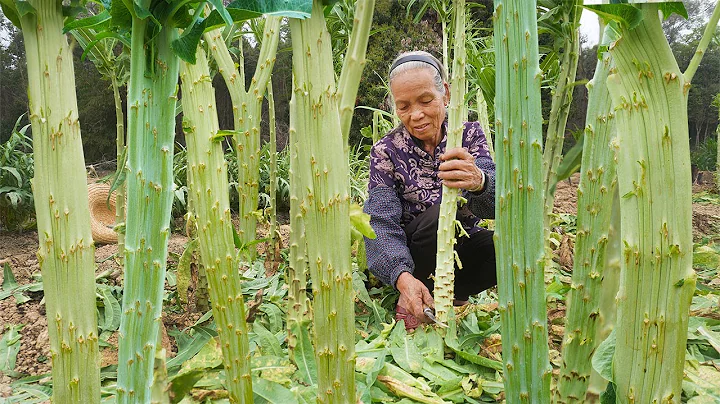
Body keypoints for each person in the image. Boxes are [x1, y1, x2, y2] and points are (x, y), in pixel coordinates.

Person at [363, 50, 497, 330]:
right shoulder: (385, 151)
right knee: (439, 218)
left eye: (426, 101)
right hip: (413, 254)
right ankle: (413, 292)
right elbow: (380, 224)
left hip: (460, 247)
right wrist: (403, 277)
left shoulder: (468, 135)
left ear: (445, 94)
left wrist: (480, 181)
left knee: (501, 247)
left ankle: (454, 294)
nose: (416, 115)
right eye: (404, 106)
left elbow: (498, 204)